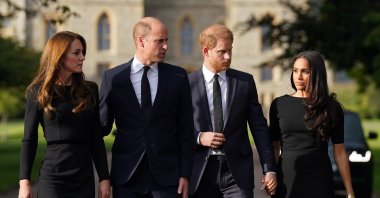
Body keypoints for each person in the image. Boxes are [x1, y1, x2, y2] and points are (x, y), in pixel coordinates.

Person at [99, 17, 194, 198]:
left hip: (167, 178)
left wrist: (185, 174)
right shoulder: (113, 78)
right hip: (126, 177)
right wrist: (104, 176)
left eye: (166, 41)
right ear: (141, 41)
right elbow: (100, 128)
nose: (165, 46)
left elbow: (185, 130)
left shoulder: (179, 77)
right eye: (160, 41)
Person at [188, 24, 277, 198]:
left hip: (236, 175)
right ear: (206, 51)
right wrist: (199, 137)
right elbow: (174, 127)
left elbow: (259, 128)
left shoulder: (244, 82)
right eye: (222, 52)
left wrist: (269, 169)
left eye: (230, 50)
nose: (228, 56)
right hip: (199, 172)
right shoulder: (186, 84)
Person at [18, 31, 111, 198]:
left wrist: (104, 178)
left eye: (83, 52)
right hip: (53, 177)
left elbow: (96, 137)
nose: (82, 57)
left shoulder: (90, 90)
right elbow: (29, 139)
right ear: (59, 56)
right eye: (76, 53)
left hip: (84, 177)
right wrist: (24, 182)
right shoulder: (38, 91)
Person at [269, 50, 355, 198]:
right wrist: (271, 175)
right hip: (287, 179)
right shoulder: (279, 104)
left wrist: (350, 192)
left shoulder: (331, 108)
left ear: (316, 74)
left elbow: (339, 151)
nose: (298, 76)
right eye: (295, 71)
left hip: (320, 180)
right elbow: (274, 147)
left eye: (305, 71)